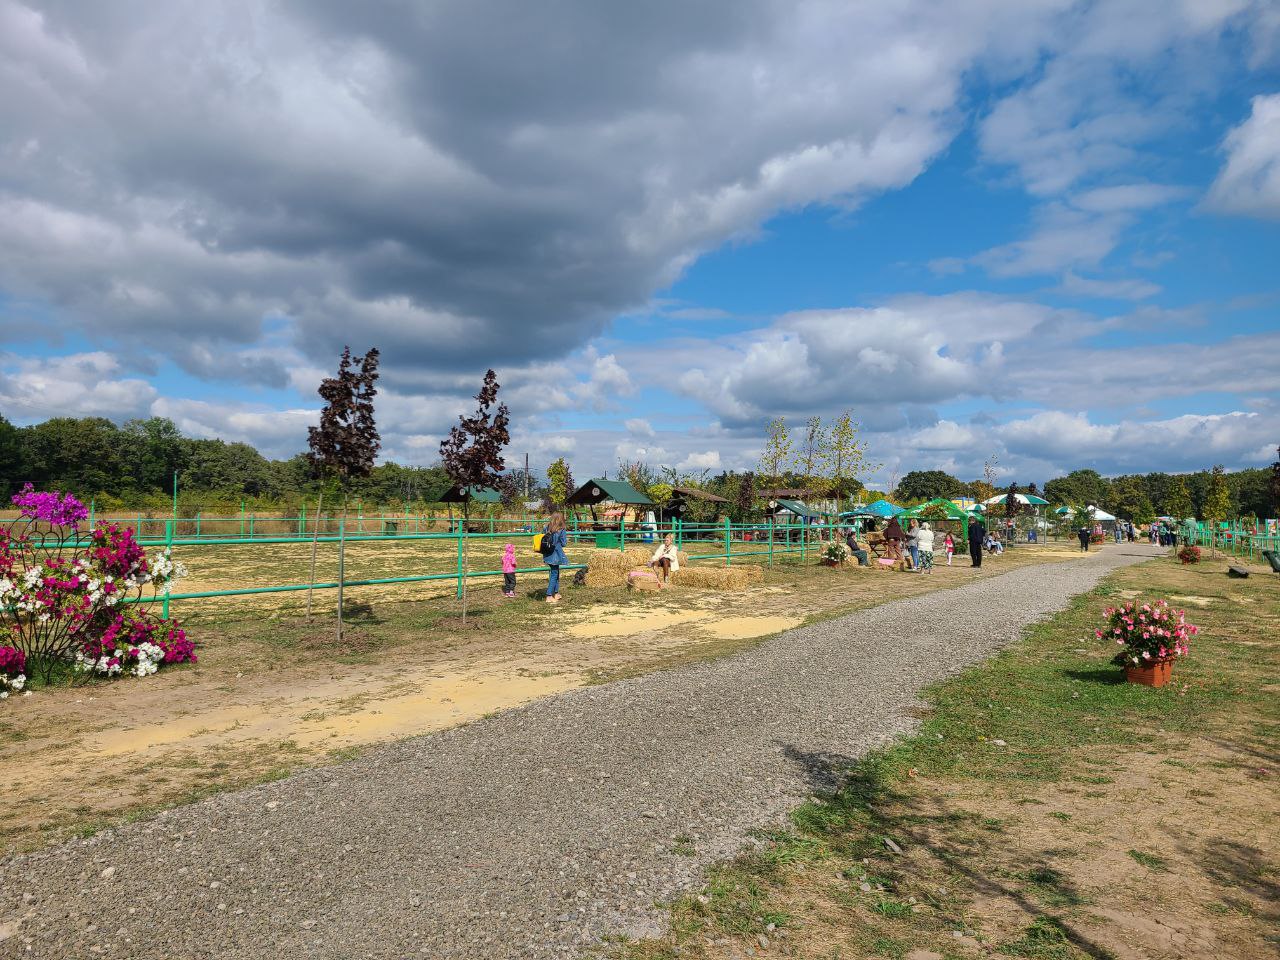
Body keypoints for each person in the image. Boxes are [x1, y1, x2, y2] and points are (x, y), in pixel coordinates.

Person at [542, 511, 568, 603]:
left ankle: (556, 593)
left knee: (555, 572)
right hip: (556, 554)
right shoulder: (561, 529)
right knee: (554, 574)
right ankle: (549, 595)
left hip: (547, 553)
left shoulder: (546, 528)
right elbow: (564, 543)